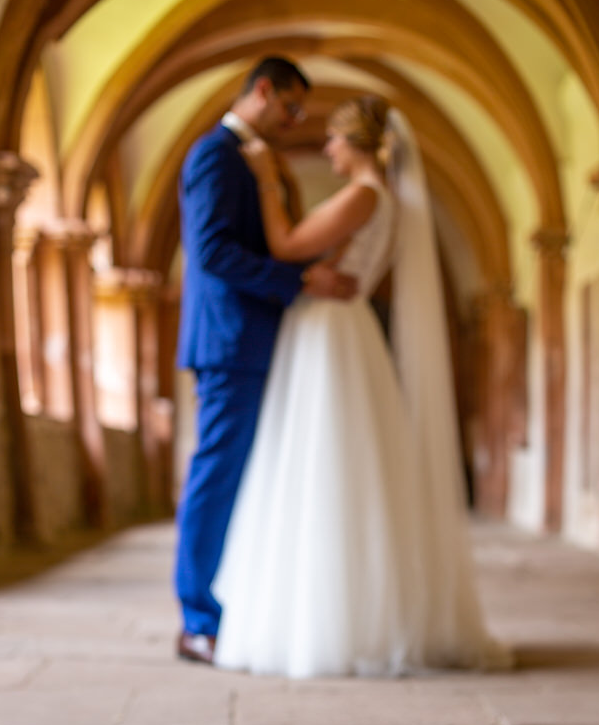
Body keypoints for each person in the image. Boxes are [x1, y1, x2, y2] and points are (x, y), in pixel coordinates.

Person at [212, 94, 512, 677]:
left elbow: (287, 248)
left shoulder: (365, 195)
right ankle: (353, 614)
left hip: (332, 335)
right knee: (347, 469)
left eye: (333, 139)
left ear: (356, 144)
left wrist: (269, 181)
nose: (327, 148)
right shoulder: (391, 202)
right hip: (344, 332)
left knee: (327, 468)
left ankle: (335, 625)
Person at [174, 58, 357, 664]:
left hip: (255, 338)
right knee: (216, 476)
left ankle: (229, 606)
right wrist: (299, 279)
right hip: (229, 341)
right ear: (263, 90)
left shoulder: (250, 158)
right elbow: (213, 253)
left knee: (245, 477)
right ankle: (198, 620)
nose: (295, 120)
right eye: (292, 107)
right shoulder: (215, 154)